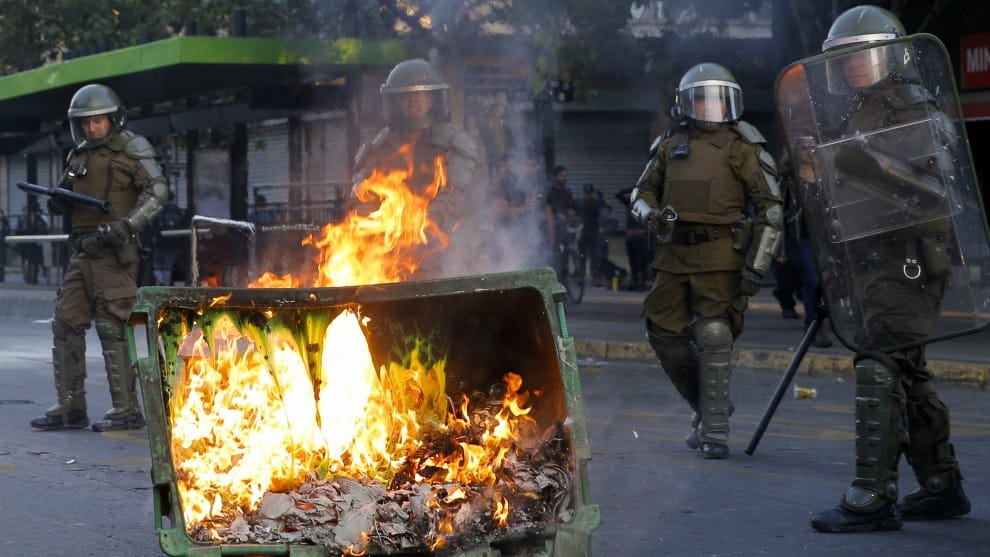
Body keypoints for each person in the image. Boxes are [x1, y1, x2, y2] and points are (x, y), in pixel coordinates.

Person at [782, 6, 973, 533]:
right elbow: (844, 202)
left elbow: (937, 195)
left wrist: (865, 166)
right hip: (868, 263)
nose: (851, 66)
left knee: (879, 364)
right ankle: (941, 486)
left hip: (909, 263)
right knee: (907, 375)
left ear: (891, 54)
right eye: (844, 58)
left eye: (861, 55)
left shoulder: (914, 111)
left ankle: (872, 497)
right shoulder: (854, 115)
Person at [630, 62, 782, 459]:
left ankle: (715, 432)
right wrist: (651, 216)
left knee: (714, 334)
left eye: (717, 98)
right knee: (662, 333)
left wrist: (757, 266)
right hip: (672, 255)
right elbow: (640, 194)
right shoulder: (669, 144)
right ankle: (707, 405)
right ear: (685, 104)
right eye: (701, 98)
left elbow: (772, 209)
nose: (710, 107)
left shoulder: (741, 145)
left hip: (720, 256)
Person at [30, 84, 167, 432]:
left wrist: (128, 225)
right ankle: (71, 405)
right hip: (81, 252)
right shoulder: (79, 156)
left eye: (98, 121)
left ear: (112, 119)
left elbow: (158, 191)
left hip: (114, 254)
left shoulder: (131, 148)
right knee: (66, 322)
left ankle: (126, 408)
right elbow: (66, 192)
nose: (92, 128)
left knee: (112, 326)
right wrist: (59, 201)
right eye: (86, 123)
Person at [350, 57, 481, 278]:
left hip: (447, 250)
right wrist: (377, 229)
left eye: (421, 93)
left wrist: (427, 225)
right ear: (394, 102)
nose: (413, 100)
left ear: (434, 99)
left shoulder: (455, 143)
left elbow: (457, 193)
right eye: (406, 95)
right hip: (390, 254)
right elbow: (360, 196)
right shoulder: (380, 147)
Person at [616, 187, 652, 290]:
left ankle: (643, 281)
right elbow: (619, 195)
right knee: (633, 260)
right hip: (631, 237)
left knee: (643, 260)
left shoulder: (647, 204)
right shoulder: (629, 203)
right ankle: (635, 280)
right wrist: (632, 188)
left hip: (641, 237)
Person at [544, 165, 578, 271]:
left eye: (566, 175)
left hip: (566, 229)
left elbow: (572, 208)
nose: (564, 178)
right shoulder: (549, 192)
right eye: (561, 175)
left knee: (565, 256)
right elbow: (547, 212)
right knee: (553, 257)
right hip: (552, 229)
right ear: (555, 177)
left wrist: (570, 213)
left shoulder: (568, 192)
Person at [577, 184, 610, 286]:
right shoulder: (580, 202)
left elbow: (609, 207)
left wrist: (603, 217)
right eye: (587, 194)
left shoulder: (598, 201)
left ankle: (595, 277)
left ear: (593, 193)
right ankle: (581, 278)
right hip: (583, 232)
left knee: (594, 257)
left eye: (590, 193)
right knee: (582, 256)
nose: (588, 196)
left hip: (594, 232)